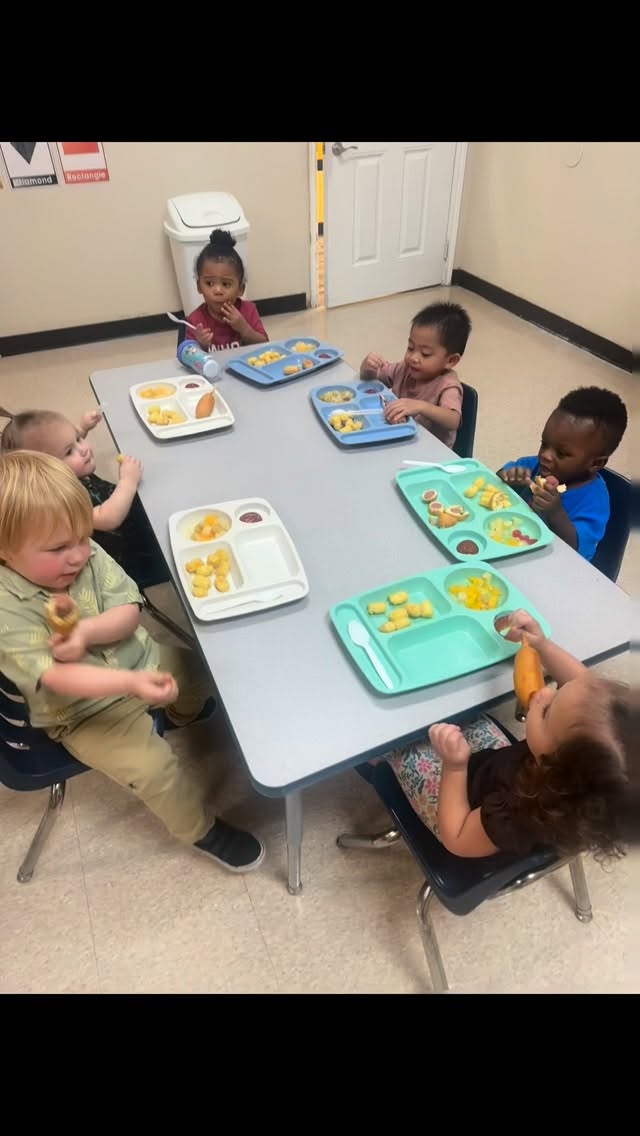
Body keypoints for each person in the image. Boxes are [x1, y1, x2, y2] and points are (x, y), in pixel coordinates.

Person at [0, 450, 264, 872]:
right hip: (83, 712)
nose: (77, 556)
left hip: (140, 658)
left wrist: (85, 632)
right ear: (6, 553)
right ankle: (199, 830)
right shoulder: (6, 608)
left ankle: (179, 711)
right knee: (156, 769)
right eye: (57, 548)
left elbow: (130, 610)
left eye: (82, 538)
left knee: (204, 672)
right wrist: (129, 686)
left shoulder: (83, 554)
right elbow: (57, 678)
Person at [378, 610, 629, 860]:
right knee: (465, 713)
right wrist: (541, 644)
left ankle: (377, 763)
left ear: (552, 761)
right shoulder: (589, 763)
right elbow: (583, 684)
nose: (544, 694)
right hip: (494, 766)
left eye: (547, 712)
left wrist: (454, 767)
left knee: (398, 740)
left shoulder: (518, 810)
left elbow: (457, 838)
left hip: (463, 808)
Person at [0, 405, 163, 589]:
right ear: (48, 470)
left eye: (78, 439)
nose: (83, 449)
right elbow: (108, 518)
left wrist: (83, 427)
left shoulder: (68, 469)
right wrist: (128, 481)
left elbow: (62, 444)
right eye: (69, 451)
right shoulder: (59, 501)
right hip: (129, 553)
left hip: (130, 510)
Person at [497, 386, 628, 562]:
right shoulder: (535, 467)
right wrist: (509, 477)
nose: (545, 455)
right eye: (544, 444)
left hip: (555, 566)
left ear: (595, 463)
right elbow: (498, 477)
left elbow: (576, 549)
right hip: (510, 543)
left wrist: (555, 512)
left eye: (561, 453)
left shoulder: (594, 501)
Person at [359, 301, 471, 448]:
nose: (413, 358)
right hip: (399, 438)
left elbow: (453, 420)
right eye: (411, 348)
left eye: (425, 354)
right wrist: (367, 367)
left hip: (430, 454)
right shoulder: (406, 368)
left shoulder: (448, 385)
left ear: (451, 360)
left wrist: (421, 407)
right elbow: (373, 378)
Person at [184, 229, 268, 352]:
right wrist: (200, 345)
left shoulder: (248, 311)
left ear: (241, 289)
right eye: (209, 283)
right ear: (199, 287)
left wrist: (244, 329)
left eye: (226, 284)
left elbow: (265, 346)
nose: (218, 290)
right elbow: (187, 355)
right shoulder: (196, 320)